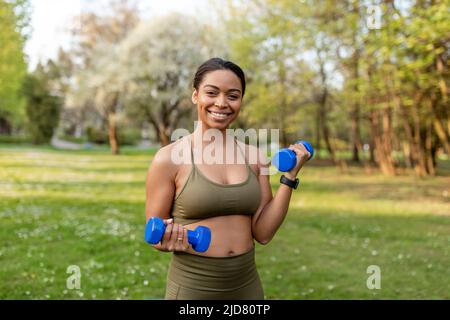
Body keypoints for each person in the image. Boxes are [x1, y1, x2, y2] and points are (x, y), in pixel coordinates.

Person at [145, 57, 311, 300]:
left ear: (241, 100)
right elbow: (154, 234)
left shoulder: (255, 157)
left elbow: (263, 233)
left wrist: (289, 177)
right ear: (195, 96)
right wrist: (169, 240)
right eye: (211, 93)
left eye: (233, 96)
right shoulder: (169, 159)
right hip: (194, 287)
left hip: (247, 286)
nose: (221, 103)